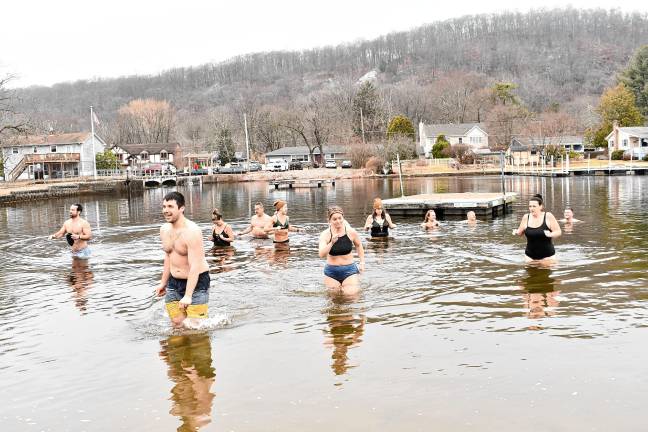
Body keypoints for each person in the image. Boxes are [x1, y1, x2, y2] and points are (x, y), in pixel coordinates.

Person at [155, 191, 211, 328]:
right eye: (164, 206)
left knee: (195, 327)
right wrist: (163, 282)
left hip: (197, 282)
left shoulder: (192, 231)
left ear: (181, 208)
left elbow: (195, 266)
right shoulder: (164, 230)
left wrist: (188, 295)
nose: (165, 211)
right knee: (176, 323)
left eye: (170, 207)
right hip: (173, 283)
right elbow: (168, 256)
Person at [319, 206, 365, 293]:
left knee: (351, 296)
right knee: (334, 299)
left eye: (340, 218)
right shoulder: (325, 234)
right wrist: (331, 243)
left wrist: (362, 263)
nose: (338, 221)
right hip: (331, 272)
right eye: (334, 219)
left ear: (343, 217)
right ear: (329, 220)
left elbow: (359, 245)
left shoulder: (351, 232)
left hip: (349, 270)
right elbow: (321, 254)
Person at [513, 194, 562, 263]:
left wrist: (550, 234)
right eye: (530, 206)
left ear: (540, 206)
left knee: (544, 273)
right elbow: (520, 233)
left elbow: (558, 232)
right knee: (530, 273)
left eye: (534, 206)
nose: (531, 208)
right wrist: (516, 232)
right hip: (529, 257)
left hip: (547, 257)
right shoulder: (526, 217)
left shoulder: (548, 216)